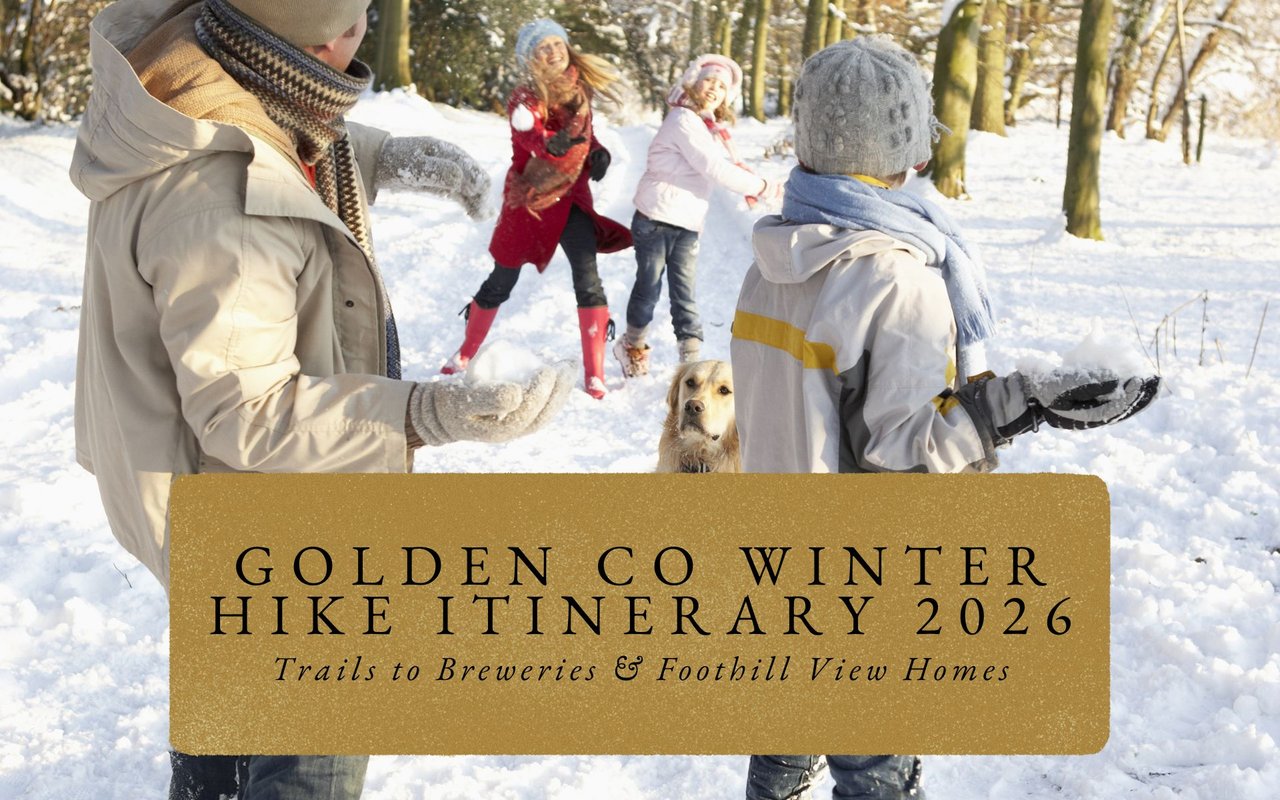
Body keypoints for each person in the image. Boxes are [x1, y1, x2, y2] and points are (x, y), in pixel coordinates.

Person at [70, 1, 572, 798]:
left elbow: (279, 142)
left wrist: (383, 155)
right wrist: (424, 414)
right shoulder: (222, 207)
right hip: (266, 531)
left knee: (224, 757)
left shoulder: (205, 71)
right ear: (327, 35)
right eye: (360, 13)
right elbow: (247, 414)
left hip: (217, 504)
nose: (368, 23)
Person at [730, 37, 1161, 800]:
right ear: (908, 150)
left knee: (784, 753)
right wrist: (1015, 405)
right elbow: (905, 452)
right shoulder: (895, 277)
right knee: (876, 775)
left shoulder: (771, 263)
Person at [441, 18, 632, 399]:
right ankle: (464, 352)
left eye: (556, 44)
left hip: (572, 200)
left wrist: (596, 151)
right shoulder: (524, 98)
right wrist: (551, 145)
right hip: (529, 200)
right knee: (503, 279)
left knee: (587, 275)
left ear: (566, 46)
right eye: (542, 48)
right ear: (531, 59)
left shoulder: (579, 92)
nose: (552, 52)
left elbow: (583, 136)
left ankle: (595, 374)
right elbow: (531, 138)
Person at [615, 53, 778, 377]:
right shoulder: (682, 120)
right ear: (693, 82)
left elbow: (724, 164)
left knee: (684, 294)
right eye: (709, 80)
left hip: (688, 223)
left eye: (722, 85)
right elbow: (714, 168)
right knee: (648, 288)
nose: (714, 88)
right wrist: (763, 186)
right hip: (656, 217)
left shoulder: (709, 129)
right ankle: (632, 346)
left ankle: (689, 362)